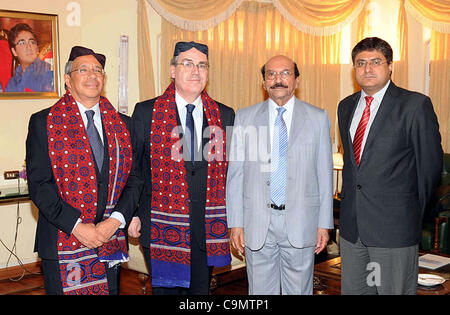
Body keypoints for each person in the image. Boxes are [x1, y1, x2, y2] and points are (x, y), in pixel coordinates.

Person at [26, 46, 143, 295]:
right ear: (68, 80)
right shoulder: (44, 123)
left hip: (110, 239)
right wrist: (78, 227)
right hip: (62, 239)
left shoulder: (124, 125)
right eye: (84, 69)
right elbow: (40, 185)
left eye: (98, 70)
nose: (93, 75)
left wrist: (115, 221)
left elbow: (134, 179)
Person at [338, 37, 443, 295]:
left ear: (390, 66)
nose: (368, 69)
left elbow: (429, 169)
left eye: (376, 62)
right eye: (361, 63)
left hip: (394, 229)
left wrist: (408, 216)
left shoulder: (415, 105)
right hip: (352, 229)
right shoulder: (346, 106)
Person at [130, 41, 235, 294]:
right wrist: (132, 213)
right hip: (159, 225)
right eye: (187, 64)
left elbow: (231, 173)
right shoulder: (147, 112)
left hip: (207, 226)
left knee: (200, 294)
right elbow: (134, 170)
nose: (195, 71)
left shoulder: (224, 115)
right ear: (173, 70)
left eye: (202, 65)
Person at [226, 55, 333, 295]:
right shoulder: (244, 117)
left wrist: (324, 224)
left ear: (296, 80)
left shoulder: (318, 118)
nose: (278, 80)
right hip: (257, 223)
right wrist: (235, 222)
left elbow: (325, 175)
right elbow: (236, 174)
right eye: (271, 74)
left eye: (285, 73)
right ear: (263, 82)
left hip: (301, 222)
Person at [5, 23, 53, 92]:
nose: (29, 47)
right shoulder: (12, 83)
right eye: (22, 43)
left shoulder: (49, 72)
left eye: (32, 42)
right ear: (14, 51)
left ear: (37, 48)